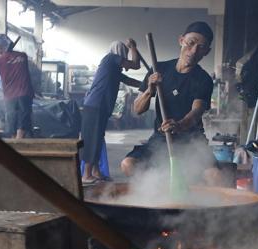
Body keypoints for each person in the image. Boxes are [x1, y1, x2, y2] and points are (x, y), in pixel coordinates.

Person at [120, 21, 221, 185]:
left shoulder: (203, 79)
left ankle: (199, 209)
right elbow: (137, 109)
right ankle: (155, 199)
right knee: (128, 165)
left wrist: (180, 125)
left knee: (215, 176)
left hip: (192, 140)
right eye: (191, 43)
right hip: (160, 138)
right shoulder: (159, 69)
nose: (194, 50)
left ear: (207, 52)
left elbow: (196, 112)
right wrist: (149, 90)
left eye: (201, 47)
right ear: (181, 40)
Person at [80, 39, 141, 184]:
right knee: (92, 139)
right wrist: (134, 47)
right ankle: (86, 174)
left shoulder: (113, 69)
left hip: (99, 107)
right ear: (120, 52)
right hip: (95, 106)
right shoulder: (111, 58)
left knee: (98, 139)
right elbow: (136, 65)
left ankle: (95, 171)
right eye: (125, 53)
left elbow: (131, 81)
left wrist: (149, 84)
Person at [0, 34, 34, 139]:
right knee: (23, 120)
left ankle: (16, 142)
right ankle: (18, 142)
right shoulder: (23, 56)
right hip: (25, 94)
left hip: (10, 96)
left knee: (12, 122)